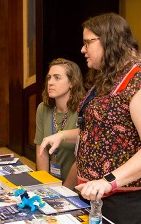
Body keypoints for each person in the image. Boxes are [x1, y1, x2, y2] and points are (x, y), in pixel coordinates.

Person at [39, 13, 141, 224]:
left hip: (125, 201)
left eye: (87, 42)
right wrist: (62, 135)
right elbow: (102, 131)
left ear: (109, 40)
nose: (83, 49)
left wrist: (109, 181)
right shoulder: (108, 78)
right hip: (93, 195)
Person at [34, 58, 85, 188]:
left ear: (72, 83)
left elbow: (81, 159)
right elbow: (41, 148)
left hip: (76, 186)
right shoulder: (43, 108)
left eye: (57, 78)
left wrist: (64, 191)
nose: (50, 83)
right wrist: (45, 185)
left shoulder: (84, 109)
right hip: (51, 183)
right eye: (49, 78)